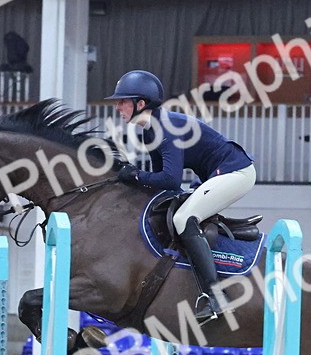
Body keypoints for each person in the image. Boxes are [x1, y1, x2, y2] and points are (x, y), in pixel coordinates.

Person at [108, 70, 257, 323]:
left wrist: (133, 175)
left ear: (140, 104)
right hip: (215, 175)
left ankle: (216, 296)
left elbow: (170, 179)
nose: (118, 107)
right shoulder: (150, 130)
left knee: (184, 219)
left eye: (123, 101)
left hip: (236, 172)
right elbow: (162, 185)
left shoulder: (164, 128)